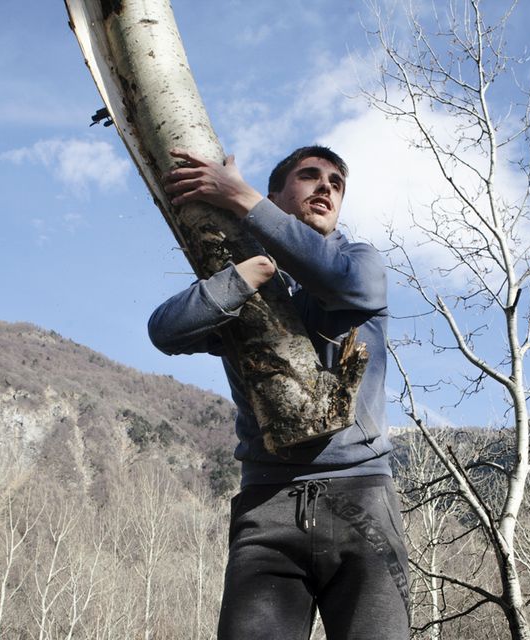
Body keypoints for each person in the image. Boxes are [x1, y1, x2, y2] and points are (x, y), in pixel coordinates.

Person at [148, 145, 410, 639]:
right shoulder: (246, 285)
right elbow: (165, 331)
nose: (326, 187)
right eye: (309, 176)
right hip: (266, 508)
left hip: (362, 501)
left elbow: (337, 278)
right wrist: (244, 277)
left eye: (336, 183)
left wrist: (241, 199)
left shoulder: (359, 262)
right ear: (276, 196)